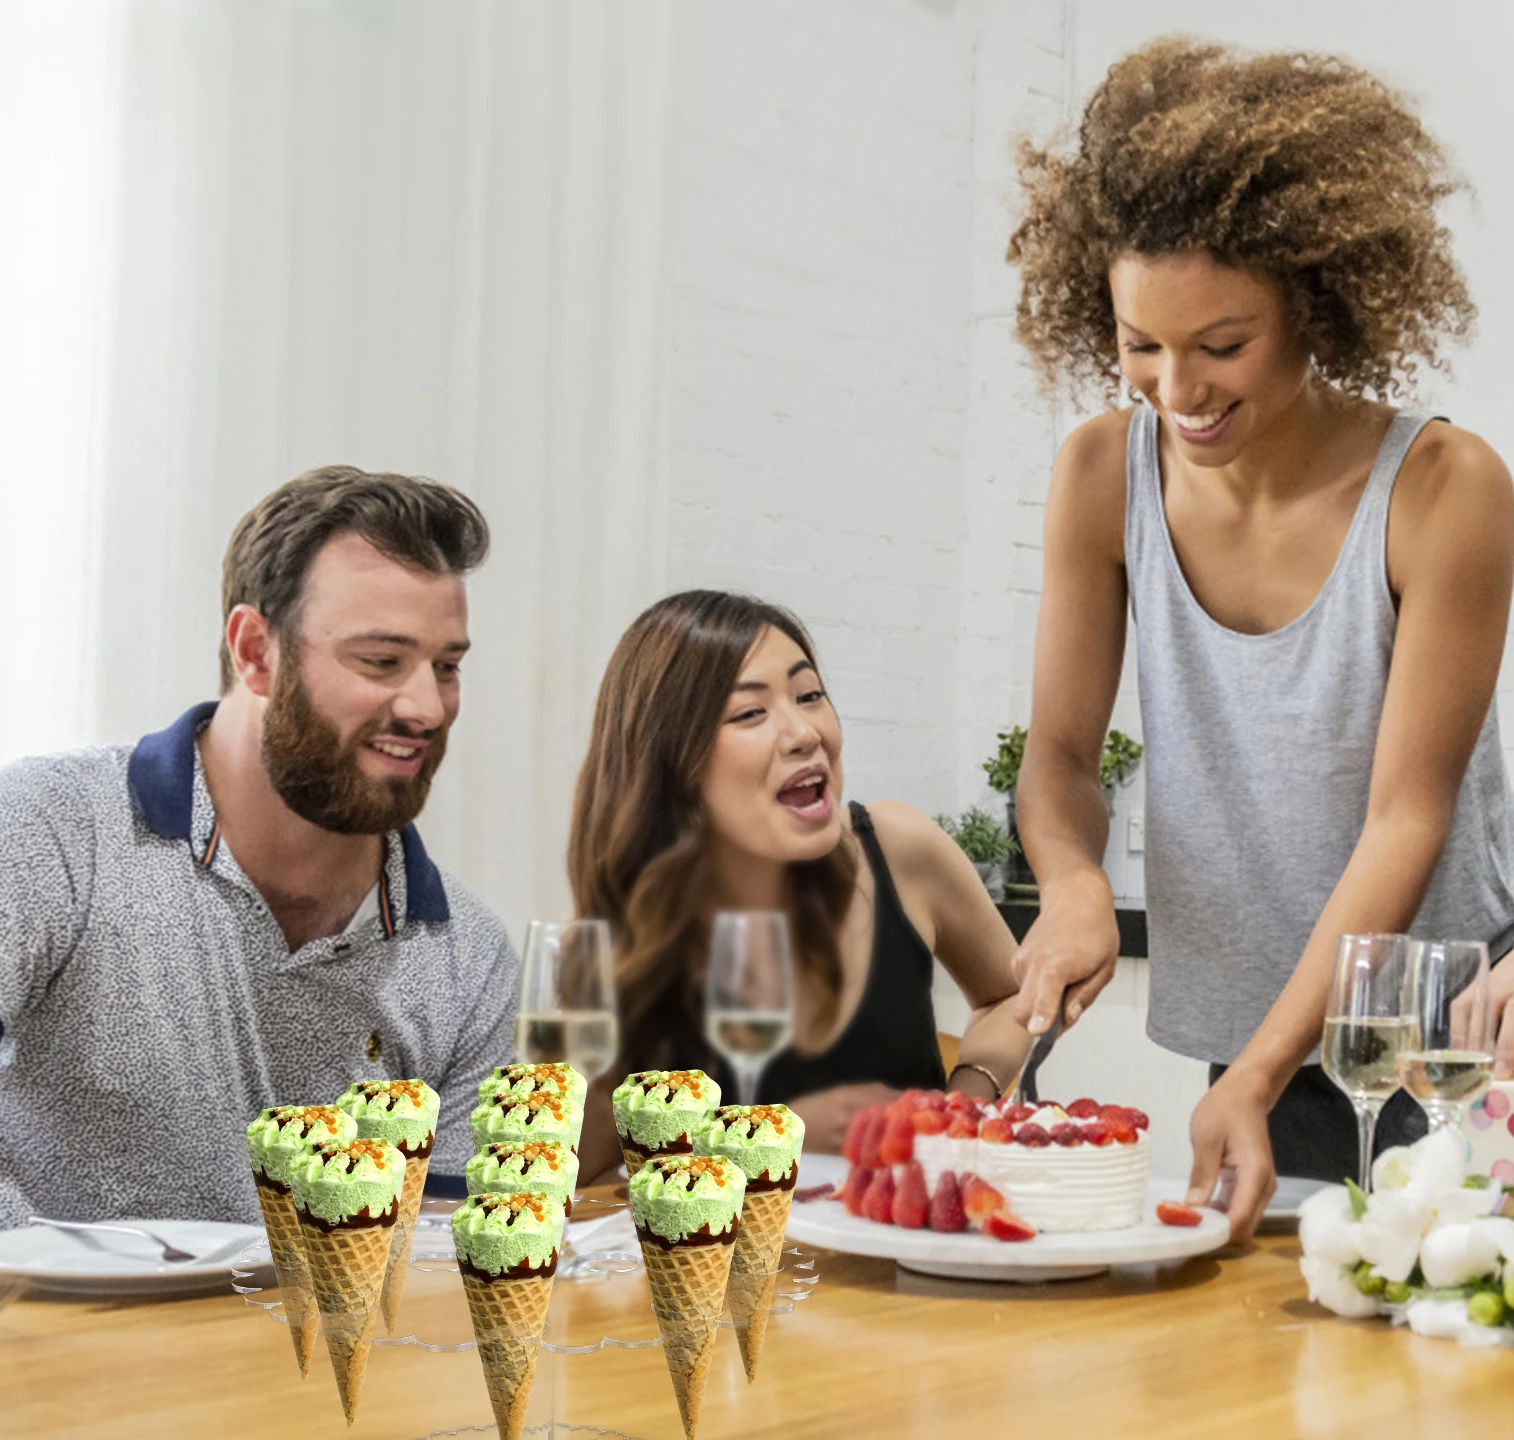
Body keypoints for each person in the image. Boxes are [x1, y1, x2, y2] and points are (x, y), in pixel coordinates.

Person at [1005, 38, 1514, 1244]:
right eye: (1140, 342)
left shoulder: (1445, 489)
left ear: (1315, 302)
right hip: (1257, 1037)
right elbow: (1061, 755)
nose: (1176, 388)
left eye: (1221, 345)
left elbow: (1407, 816)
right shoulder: (1098, 474)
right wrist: (1074, 883)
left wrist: (1263, 1069)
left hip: (1451, 1032)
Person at [0, 467, 519, 1264]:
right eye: (381, 661)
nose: (427, 708)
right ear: (255, 651)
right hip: (37, 1369)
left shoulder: (467, 956)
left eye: (447, 665)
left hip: (305, 1379)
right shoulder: (50, 829)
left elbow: (444, 1266)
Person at [566, 589, 1030, 1182]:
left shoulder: (899, 849)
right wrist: (769, 1137)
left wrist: (961, 1102)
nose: (804, 732)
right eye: (750, 713)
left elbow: (1010, 996)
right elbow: (581, 1182)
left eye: (810, 696)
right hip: (720, 1269)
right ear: (671, 760)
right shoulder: (616, 936)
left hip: (905, 1260)